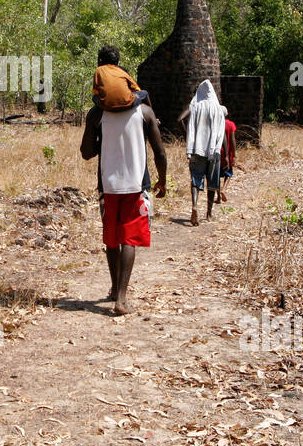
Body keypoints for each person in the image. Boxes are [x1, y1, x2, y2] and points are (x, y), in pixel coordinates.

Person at [81, 46, 167, 316]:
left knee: (112, 239)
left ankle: (113, 287)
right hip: (137, 183)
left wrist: (102, 144)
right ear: (120, 69)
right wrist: (162, 181)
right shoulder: (145, 113)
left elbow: (85, 153)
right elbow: (160, 152)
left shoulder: (96, 114)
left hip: (107, 184)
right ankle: (121, 298)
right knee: (129, 238)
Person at [176, 80, 226, 225]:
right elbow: (221, 133)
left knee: (195, 178)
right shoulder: (218, 109)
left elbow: (179, 119)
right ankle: (209, 213)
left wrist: (189, 138)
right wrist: (224, 153)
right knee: (212, 181)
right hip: (214, 150)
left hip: (197, 148)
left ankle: (194, 205)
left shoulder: (195, 107)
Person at [219, 116, 237, 204]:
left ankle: (217, 194)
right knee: (229, 173)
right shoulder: (231, 124)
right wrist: (234, 155)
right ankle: (224, 189)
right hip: (227, 152)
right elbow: (232, 139)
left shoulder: (216, 123)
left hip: (217, 152)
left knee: (216, 175)